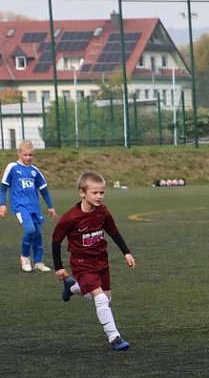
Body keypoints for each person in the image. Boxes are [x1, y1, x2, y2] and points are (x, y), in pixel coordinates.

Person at [52, 172, 137, 351]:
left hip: (101, 261)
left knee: (106, 298)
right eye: (95, 193)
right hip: (82, 263)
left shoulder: (103, 212)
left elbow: (113, 231)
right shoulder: (70, 218)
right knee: (100, 298)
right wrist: (58, 267)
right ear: (82, 193)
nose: (99, 196)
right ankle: (114, 338)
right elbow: (56, 241)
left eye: (102, 193)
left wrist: (126, 253)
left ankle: (72, 287)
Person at [0, 140, 57, 272]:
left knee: (37, 233)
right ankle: (25, 257)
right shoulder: (12, 167)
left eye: (30, 155)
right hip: (20, 206)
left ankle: (38, 262)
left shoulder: (34, 171)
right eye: (25, 155)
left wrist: (50, 206)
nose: (28, 158)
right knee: (30, 230)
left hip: (34, 207)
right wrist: (2, 204)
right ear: (19, 153)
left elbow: (44, 190)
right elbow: (3, 188)